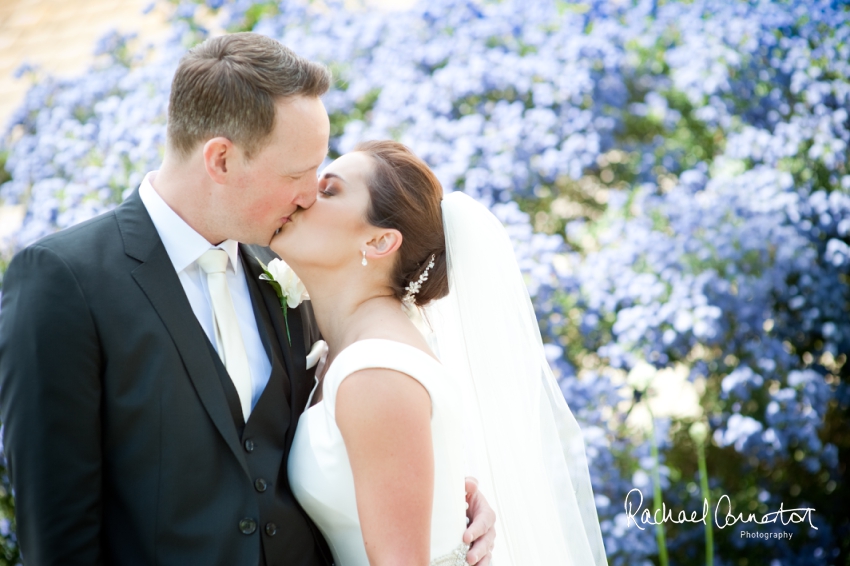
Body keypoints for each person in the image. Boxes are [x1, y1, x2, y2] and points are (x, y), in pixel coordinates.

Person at [0, 33, 495, 565]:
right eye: (297, 174)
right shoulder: (65, 282)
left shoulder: (285, 279)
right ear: (221, 160)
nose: (308, 195)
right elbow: (59, 541)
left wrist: (446, 497)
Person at [275, 141, 609, 565]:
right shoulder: (347, 351)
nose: (303, 195)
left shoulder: (375, 371)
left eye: (329, 191)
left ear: (379, 241)